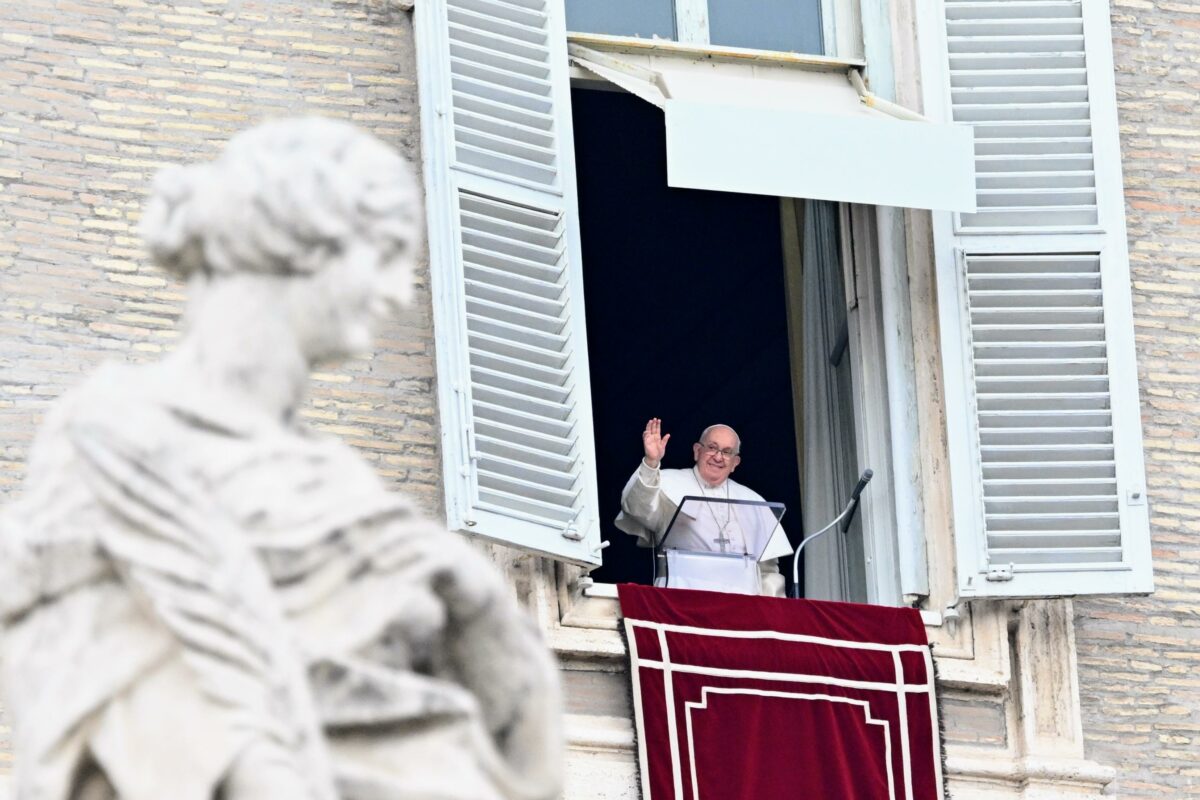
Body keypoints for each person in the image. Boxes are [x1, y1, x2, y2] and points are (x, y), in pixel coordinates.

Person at [0, 118, 561, 800]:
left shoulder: (345, 485)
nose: (399, 294)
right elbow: (91, 687)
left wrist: (475, 604)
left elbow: (526, 757)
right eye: (384, 254)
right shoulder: (113, 437)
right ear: (293, 237)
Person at [615, 418, 792, 597]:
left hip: (744, 606)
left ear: (735, 463)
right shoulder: (667, 482)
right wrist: (651, 463)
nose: (718, 457)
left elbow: (767, 571)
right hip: (681, 598)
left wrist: (773, 611)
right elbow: (637, 507)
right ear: (697, 451)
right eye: (712, 448)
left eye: (727, 452)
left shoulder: (753, 500)